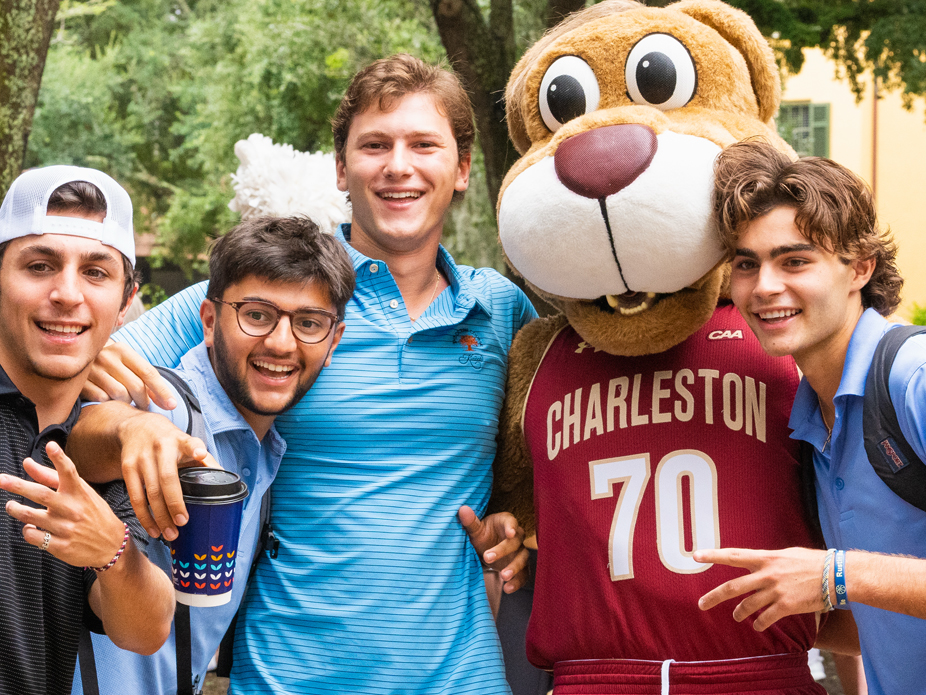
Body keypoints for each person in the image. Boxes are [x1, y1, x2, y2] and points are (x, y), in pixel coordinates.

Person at [83, 54, 537, 694]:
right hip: (287, 674)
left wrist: (519, 517)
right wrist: (133, 426)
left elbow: (555, 439)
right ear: (341, 170)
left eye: (423, 145)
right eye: (374, 145)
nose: (398, 165)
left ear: (461, 168)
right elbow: (92, 375)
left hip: (460, 677)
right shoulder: (276, 293)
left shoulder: (501, 311)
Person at [66, 215, 353, 693]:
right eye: (257, 315)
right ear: (209, 320)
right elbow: (81, 433)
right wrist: (131, 428)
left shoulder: (268, 453)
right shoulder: (166, 407)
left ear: (333, 341)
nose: (281, 343)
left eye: (308, 323)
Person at [696, 139, 925, 695]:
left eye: (795, 260)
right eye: (747, 265)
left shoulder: (913, 377)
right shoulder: (808, 424)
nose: (766, 286)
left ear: (859, 267)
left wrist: (836, 575)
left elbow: (847, 580)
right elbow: (882, 622)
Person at [0, 166, 175, 695]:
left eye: (96, 272)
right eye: (40, 266)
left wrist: (112, 550)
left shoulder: (95, 446)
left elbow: (145, 630)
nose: (67, 293)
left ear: (125, 303)